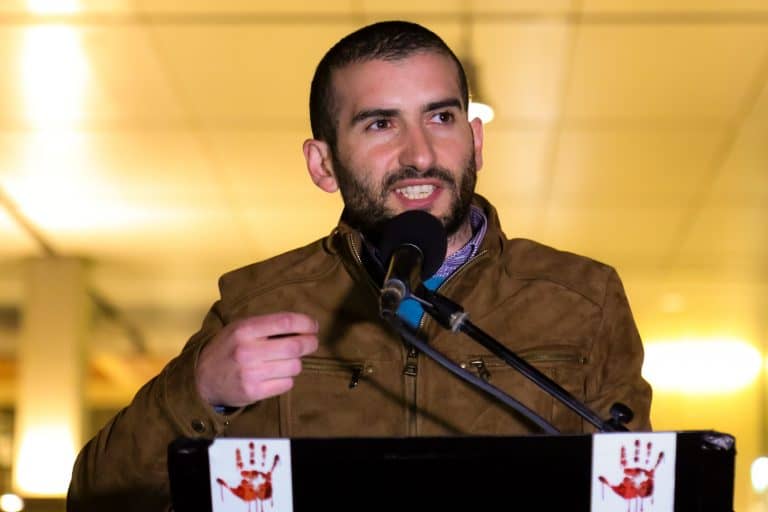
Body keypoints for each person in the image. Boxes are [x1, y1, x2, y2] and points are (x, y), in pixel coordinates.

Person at [67, 20, 651, 511]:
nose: (420, 153)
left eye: (441, 118)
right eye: (380, 124)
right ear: (323, 165)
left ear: (476, 141)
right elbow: (98, 500)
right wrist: (200, 391)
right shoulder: (258, 303)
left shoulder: (583, 299)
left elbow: (639, 494)